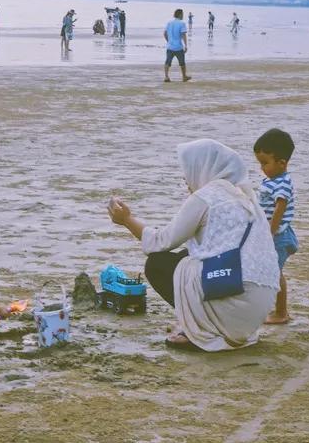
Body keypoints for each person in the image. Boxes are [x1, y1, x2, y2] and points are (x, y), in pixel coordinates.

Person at [107, 139, 280, 351]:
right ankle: (204, 322)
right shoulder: (246, 196)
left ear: (202, 167)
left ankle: (200, 329)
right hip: (255, 311)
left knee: (158, 263)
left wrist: (126, 219)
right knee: (187, 255)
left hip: (232, 303)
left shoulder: (205, 196)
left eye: (188, 169)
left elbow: (159, 241)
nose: (185, 178)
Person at [253, 129, 298, 325]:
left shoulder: (282, 183)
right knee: (271, 270)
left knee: (274, 272)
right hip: (272, 233)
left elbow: (280, 207)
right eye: (260, 163)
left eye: (265, 163)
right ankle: (273, 308)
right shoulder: (271, 180)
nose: (262, 168)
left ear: (282, 163)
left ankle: (281, 312)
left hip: (278, 236)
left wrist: (269, 232)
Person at [163, 8, 190, 82]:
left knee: (167, 62)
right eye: (182, 14)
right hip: (178, 47)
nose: (183, 15)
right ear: (180, 14)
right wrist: (186, 45)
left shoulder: (169, 23)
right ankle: (184, 76)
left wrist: (168, 41)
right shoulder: (182, 23)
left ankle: (166, 77)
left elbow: (165, 33)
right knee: (182, 63)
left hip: (170, 46)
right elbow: (183, 35)